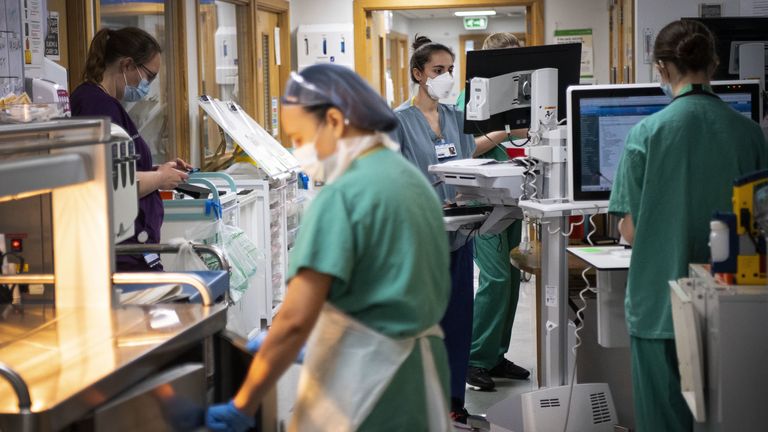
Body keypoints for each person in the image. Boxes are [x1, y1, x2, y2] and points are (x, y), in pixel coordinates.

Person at [206, 63, 453, 432]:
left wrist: (244, 404)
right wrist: (325, 341)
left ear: (335, 121)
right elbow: (387, 286)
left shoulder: (343, 194)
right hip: (420, 377)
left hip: (369, 388)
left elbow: (292, 322)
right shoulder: (411, 181)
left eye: (301, 138)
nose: (299, 151)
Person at [609, 20, 768, 432]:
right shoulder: (749, 134)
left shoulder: (646, 134)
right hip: (733, 305)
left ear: (661, 67)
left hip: (659, 305)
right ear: (715, 64)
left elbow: (631, 230)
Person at [389, 35, 476, 423]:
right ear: (418, 74)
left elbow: (471, 166)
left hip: (460, 235)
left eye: (450, 71)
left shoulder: (458, 119)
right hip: (422, 241)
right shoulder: (397, 122)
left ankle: (454, 402)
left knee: (458, 323)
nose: (446, 78)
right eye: (438, 71)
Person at [70, 27, 191, 271]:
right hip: (122, 252)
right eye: (149, 76)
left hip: (135, 247)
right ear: (127, 65)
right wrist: (158, 178)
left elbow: (121, 167)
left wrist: (159, 172)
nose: (148, 85)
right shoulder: (96, 106)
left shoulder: (109, 105)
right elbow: (108, 183)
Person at [455, 32, 530, 392]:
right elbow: (467, 147)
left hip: (511, 193)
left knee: (512, 277)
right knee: (496, 277)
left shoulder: (515, 94)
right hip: (480, 200)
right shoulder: (470, 96)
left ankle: (495, 354)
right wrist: (505, 132)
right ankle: (474, 358)